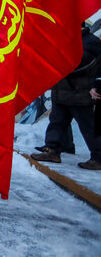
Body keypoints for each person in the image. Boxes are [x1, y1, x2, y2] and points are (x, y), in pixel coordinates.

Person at [31, 24, 101, 170]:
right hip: (61, 92)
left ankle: (98, 157)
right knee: (56, 122)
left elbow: (80, 63)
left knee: (88, 127)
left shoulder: (91, 41)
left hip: (79, 93)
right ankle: (52, 150)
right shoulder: (65, 40)